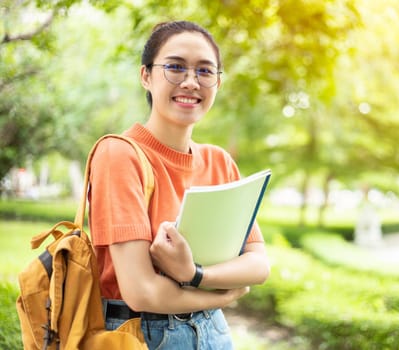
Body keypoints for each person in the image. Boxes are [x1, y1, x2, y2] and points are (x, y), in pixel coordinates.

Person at [88, 20, 270, 350]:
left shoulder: (219, 161)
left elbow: (258, 264)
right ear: (146, 75)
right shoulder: (118, 154)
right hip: (141, 334)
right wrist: (226, 292)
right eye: (175, 67)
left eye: (205, 71)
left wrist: (195, 274)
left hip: (213, 332)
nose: (190, 82)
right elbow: (141, 290)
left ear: (218, 82)